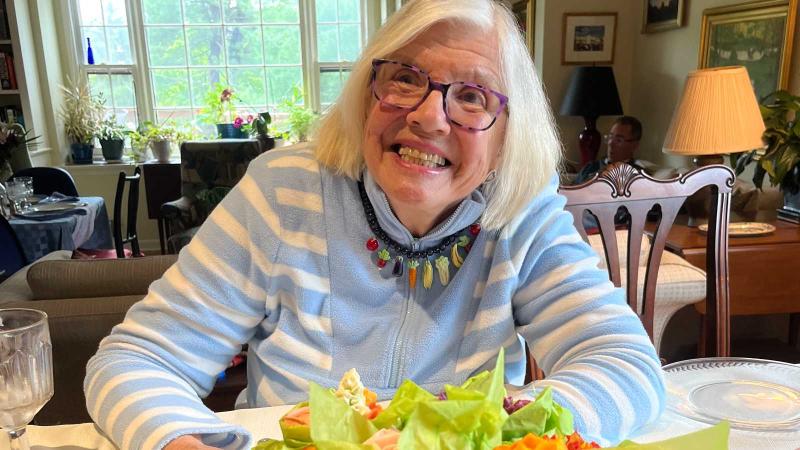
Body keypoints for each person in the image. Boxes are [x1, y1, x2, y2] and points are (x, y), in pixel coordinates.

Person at [84, 1, 665, 449]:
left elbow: (626, 366)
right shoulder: (281, 190)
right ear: (367, 92)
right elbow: (137, 361)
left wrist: (513, 426)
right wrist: (180, 439)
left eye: (471, 96)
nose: (427, 117)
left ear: (508, 131)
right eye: (406, 78)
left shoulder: (522, 211)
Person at [572, 116, 656, 185]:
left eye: (619, 140)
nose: (610, 144)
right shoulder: (590, 167)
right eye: (610, 137)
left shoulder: (639, 176)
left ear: (634, 145)